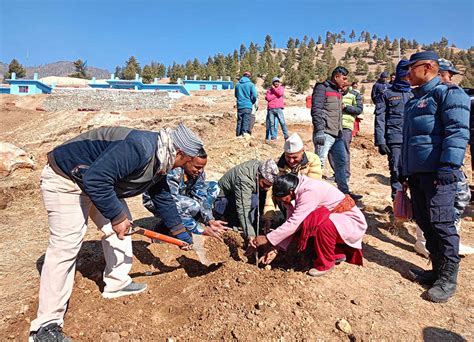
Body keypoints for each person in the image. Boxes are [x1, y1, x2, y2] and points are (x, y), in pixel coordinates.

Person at [30, 124, 204, 341]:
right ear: (179, 153)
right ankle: (45, 326)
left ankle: (116, 283)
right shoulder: (140, 148)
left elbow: (162, 196)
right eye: (185, 163)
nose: (181, 169)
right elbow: (96, 179)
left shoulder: (162, 157)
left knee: (122, 230)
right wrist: (117, 217)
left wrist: (182, 234)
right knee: (66, 245)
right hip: (67, 179)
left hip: (99, 181)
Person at [400, 51, 470, 303]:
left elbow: (457, 132)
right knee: (425, 223)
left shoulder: (449, 94)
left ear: (428, 67)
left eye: (411, 68)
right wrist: (404, 172)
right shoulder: (413, 100)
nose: (407, 73)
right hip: (417, 174)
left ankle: (448, 277)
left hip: (440, 173)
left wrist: (449, 167)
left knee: (442, 224)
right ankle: (436, 270)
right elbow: (409, 141)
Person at [248, 174, 367, 277]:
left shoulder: (309, 191)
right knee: (310, 223)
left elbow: (295, 223)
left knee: (321, 225)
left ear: (290, 191)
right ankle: (337, 252)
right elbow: (290, 222)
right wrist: (276, 248)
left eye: (284, 199)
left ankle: (325, 264)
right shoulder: (293, 194)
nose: (284, 203)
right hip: (337, 222)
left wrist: (268, 239)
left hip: (350, 222)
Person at [413, 58, 474, 257]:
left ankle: (441, 259)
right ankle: (433, 249)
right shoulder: (428, 97)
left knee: (445, 209)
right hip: (437, 166)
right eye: (449, 74)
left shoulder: (451, 95)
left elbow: (456, 131)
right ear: (438, 73)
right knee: (438, 213)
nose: (451, 78)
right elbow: (453, 131)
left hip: (444, 164)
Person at [143, 148, 228, 240]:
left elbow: (200, 195)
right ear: (187, 161)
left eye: (202, 167)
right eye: (197, 167)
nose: (200, 171)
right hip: (157, 200)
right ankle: (162, 229)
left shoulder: (198, 172)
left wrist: (210, 220)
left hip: (180, 196)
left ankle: (189, 221)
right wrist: (200, 229)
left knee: (214, 187)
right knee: (193, 206)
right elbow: (170, 203)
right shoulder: (174, 172)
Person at [311, 67, 362, 200]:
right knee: (319, 164)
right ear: (336, 77)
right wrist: (320, 131)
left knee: (341, 162)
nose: (346, 81)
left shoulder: (338, 91)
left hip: (337, 133)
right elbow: (316, 110)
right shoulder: (322, 88)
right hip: (325, 133)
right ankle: (313, 195)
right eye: (344, 78)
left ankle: (344, 193)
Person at [262, 133, 322, 229]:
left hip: (306, 200)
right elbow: (272, 191)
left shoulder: (313, 160)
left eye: (295, 157)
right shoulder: (278, 165)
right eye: (288, 157)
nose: (291, 161)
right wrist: (268, 217)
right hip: (289, 202)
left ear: (302, 151)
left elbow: (313, 188)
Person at [374, 60, 412, 199]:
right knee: (396, 172)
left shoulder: (415, 93)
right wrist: (380, 141)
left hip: (413, 140)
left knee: (415, 174)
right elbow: (380, 118)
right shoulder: (386, 94)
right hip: (395, 139)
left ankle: (415, 209)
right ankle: (399, 210)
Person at [214, 159, 278, 238]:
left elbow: (266, 199)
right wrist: (251, 235)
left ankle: (251, 226)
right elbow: (243, 209)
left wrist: (266, 220)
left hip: (238, 196)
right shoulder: (244, 179)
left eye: (269, 186)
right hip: (222, 201)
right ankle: (230, 221)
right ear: (258, 175)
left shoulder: (260, 170)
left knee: (256, 199)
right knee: (253, 201)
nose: (266, 188)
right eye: (265, 184)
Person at [328, 84, 363, 180]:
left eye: (343, 86)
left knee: (343, 150)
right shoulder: (333, 92)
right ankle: (337, 174)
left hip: (346, 126)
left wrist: (346, 107)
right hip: (332, 125)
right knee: (330, 149)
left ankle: (345, 175)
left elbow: (359, 109)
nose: (341, 88)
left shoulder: (354, 94)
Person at [265, 77, 289, 143]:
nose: (276, 83)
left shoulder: (281, 88)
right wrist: (276, 95)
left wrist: (274, 92)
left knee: (282, 122)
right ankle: (273, 137)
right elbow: (267, 98)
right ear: (273, 83)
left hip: (278, 108)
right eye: (275, 82)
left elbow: (280, 93)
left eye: (277, 82)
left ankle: (286, 136)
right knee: (272, 123)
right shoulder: (269, 90)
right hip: (271, 109)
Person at [235, 71, 258, 138]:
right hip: (248, 105)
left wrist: (240, 100)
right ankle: (244, 134)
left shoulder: (237, 85)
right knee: (246, 120)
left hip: (240, 105)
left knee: (239, 120)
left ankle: (238, 135)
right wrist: (252, 101)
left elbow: (236, 95)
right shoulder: (251, 84)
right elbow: (254, 95)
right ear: (249, 77)